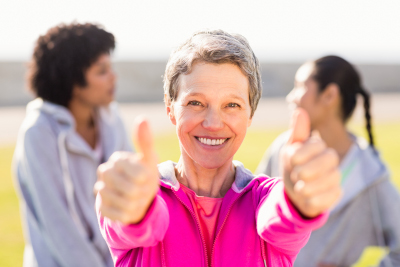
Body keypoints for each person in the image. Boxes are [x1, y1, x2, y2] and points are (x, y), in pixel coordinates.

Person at [95, 30, 342, 267]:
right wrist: (135, 209)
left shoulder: (264, 199)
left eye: (231, 105)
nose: (213, 123)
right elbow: (143, 223)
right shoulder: (145, 194)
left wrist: (296, 202)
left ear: (250, 115)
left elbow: (279, 218)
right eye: (195, 102)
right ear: (170, 108)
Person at [256, 55, 400, 267]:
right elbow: (250, 214)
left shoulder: (371, 174)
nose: (291, 97)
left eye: (300, 86)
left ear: (330, 95)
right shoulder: (283, 149)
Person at [13, 23, 132, 267]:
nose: (113, 77)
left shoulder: (112, 120)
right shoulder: (38, 132)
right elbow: (58, 225)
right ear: (73, 83)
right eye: (102, 70)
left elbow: (132, 200)